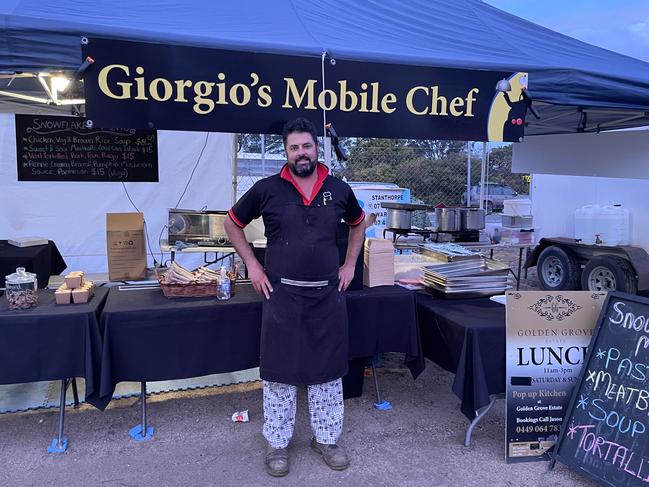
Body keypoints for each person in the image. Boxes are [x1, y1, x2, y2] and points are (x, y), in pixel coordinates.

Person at [224, 118, 365, 477]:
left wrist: (349, 264)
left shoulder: (339, 189)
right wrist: (253, 267)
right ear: (285, 152)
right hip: (282, 297)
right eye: (293, 148)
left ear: (317, 148)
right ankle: (277, 444)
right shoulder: (267, 189)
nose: (301, 153)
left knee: (328, 373)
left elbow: (359, 224)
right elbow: (232, 224)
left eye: (306, 146)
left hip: (327, 298)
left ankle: (327, 440)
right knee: (279, 374)